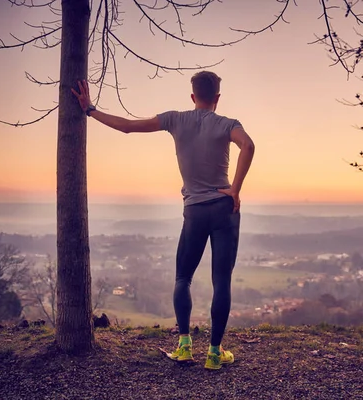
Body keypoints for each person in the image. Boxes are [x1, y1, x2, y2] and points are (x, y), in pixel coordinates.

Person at [72, 71, 255, 370]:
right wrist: (235, 189)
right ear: (217, 99)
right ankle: (214, 353)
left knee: (183, 278)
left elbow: (129, 128)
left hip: (194, 211)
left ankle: (184, 346)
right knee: (222, 280)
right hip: (224, 208)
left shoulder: (175, 120)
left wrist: (90, 110)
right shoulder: (228, 124)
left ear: (193, 97)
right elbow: (248, 146)